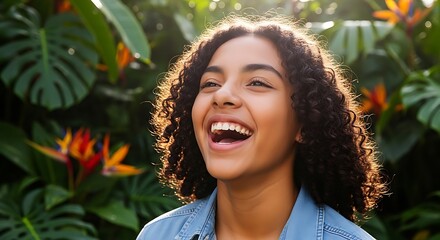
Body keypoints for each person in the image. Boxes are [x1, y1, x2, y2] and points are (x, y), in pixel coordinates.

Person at [137, 15, 387, 240]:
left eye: (257, 82)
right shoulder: (157, 235)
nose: (222, 95)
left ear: (304, 123)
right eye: (210, 83)